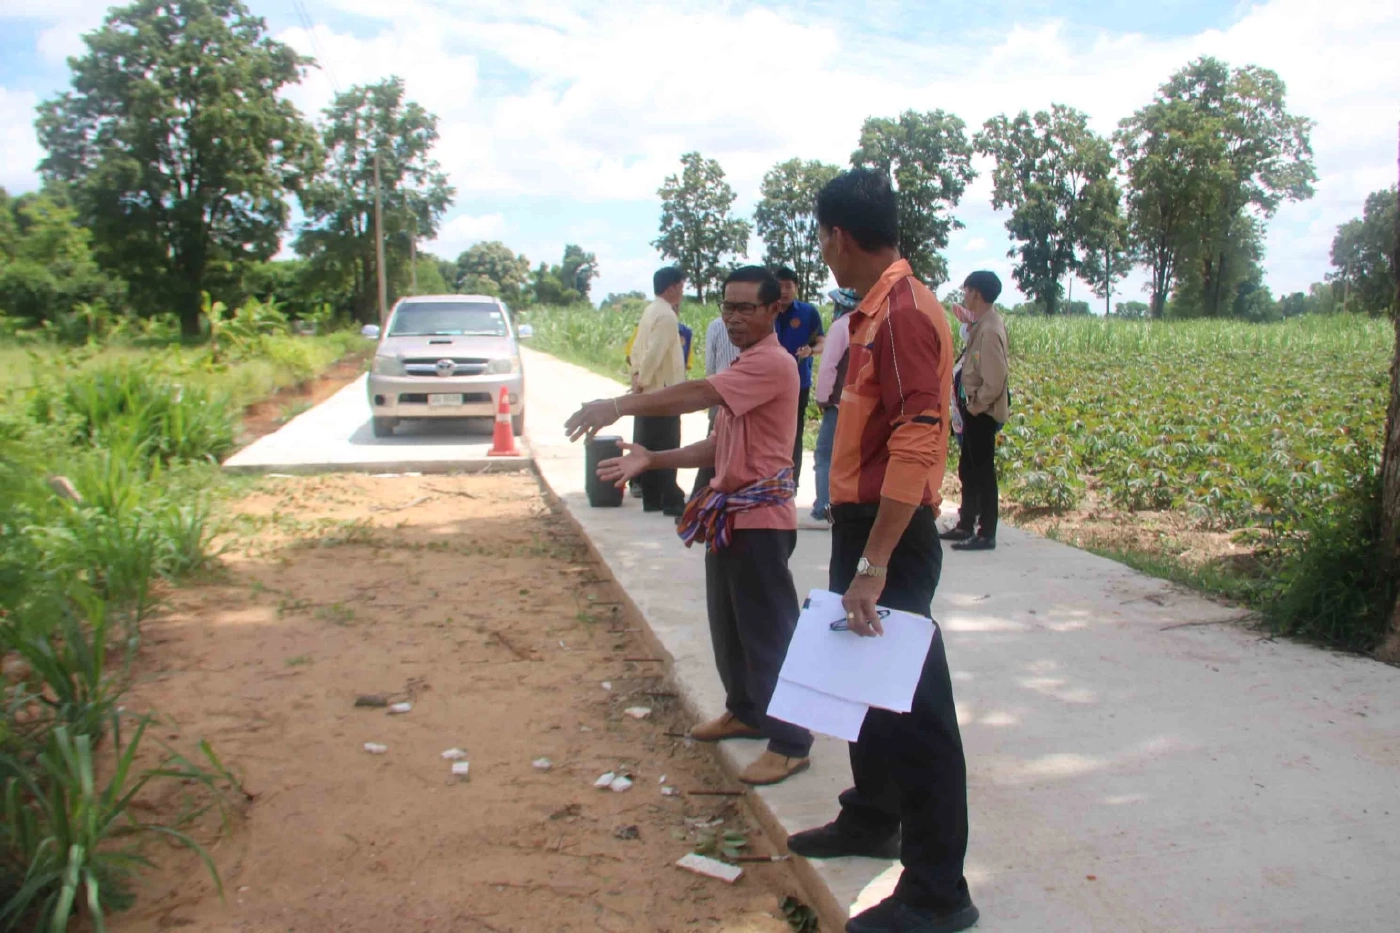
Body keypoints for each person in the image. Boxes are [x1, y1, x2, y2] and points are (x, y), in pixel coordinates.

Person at [784, 169, 978, 933]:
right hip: (865, 523)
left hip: (891, 533)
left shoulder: (901, 313)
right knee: (863, 688)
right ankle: (872, 815)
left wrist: (874, 563)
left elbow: (918, 437)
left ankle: (938, 891)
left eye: (821, 237)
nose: (822, 250)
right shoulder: (874, 310)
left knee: (919, 715)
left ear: (837, 236)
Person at [564, 266, 813, 787]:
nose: (734, 317)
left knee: (768, 633)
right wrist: (654, 459)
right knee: (730, 626)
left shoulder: (772, 363)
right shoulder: (746, 363)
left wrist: (617, 406)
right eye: (728, 306)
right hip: (730, 515)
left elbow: (696, 392)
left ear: (774, 310)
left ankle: (791, 743)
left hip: (761, 519)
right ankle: (747, 711)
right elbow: (718, 445)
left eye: (746, 308)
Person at [941, 271, 1008, 552]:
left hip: (982, 412)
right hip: (973, 410)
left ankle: (986, 533)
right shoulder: (981, 323)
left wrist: (976, 405)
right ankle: (966, 523)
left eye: (966, 291)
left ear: (976, 293)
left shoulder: (990, 329)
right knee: (968, 469)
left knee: (983, 474)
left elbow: (995, 378)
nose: (964, 296)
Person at [629, 266, 689, 516]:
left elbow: (637, 349)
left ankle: (652, 498)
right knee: (667, 444)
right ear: (671, 288)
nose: (682, 292)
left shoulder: (650, 310)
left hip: (649, 390)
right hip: (663, 390)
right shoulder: (666, 315)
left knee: (650, 442)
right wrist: (642, 379)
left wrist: (636, 375)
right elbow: (655, 353)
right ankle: (669, 498)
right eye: (681, 287)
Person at [810, 287, 859, 525]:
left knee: (825, 454)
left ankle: (824, 505)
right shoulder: (870, 324)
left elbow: (829, 366)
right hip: (861, 404)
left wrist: (822, 398)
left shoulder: (841, 327)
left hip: (839, 403)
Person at [773, 267, 824, 491]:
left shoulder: (808, 312)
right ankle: (768, 480)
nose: (784, 291)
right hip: (768, 383)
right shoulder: (766, 310)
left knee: (794, 434)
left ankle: (790, 485)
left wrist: (810, 351)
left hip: (798, 383)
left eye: (788, 286)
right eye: (780, 286)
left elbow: (822, 342)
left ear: (796, 288)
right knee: (769, 432)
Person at [690, 313, 743, 497]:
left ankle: (700, 497)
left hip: (719, 393)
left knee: (715, 448)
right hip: (743, 395)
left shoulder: (715, 325)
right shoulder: (758, 326)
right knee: (722, 448)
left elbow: (710, 367)